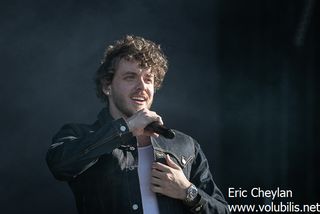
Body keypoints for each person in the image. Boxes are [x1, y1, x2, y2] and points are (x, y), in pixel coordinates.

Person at [46, 35, 229, 214]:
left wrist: (187, 192)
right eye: (130, 77)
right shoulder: (79, 135)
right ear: (107, 86)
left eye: (148, 79)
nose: (142, 87)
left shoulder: (184, 144)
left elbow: (223, 210)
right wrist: (126, 128)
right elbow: (60, 165)